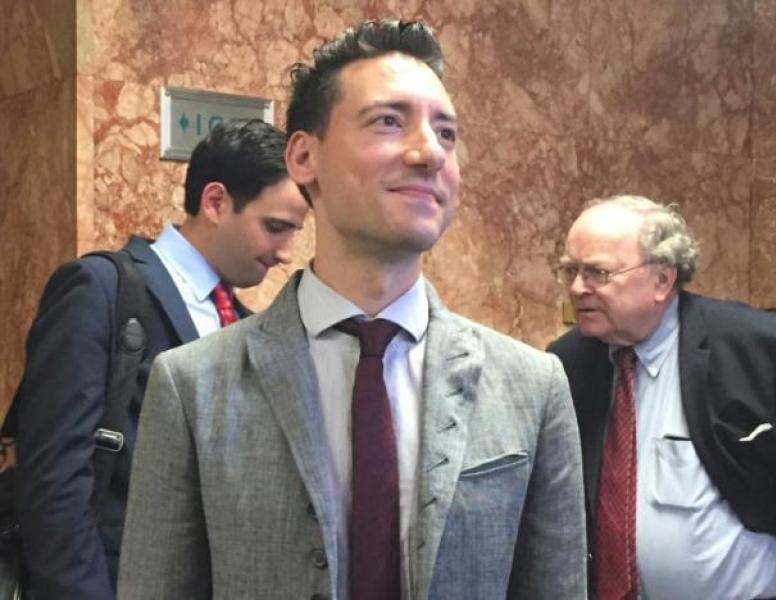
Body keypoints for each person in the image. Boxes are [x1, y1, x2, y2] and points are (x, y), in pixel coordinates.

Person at [117, 19, 587, 600]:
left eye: (446, 133)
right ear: (304, 157)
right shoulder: (193, 387)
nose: (428, 153)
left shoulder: (531, 387)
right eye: (389, 121)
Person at [9, 118, 309, 600]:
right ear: (215, 202)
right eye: (275, 227)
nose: (285, 252)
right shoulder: (101, 290)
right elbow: (53, 481)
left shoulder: (250, 324)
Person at [547, 194, 776, 600]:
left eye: (597, 272)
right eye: (570, 270)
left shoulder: (762, 348)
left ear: (662, 279)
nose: (577, 288)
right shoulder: (567, 363)